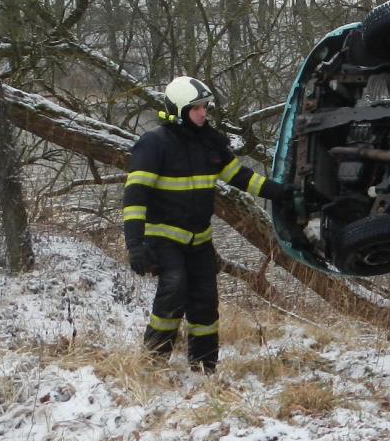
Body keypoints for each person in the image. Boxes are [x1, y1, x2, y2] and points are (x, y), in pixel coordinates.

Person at [122, 76, 293, 373]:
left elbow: (242, 178)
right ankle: (153, 362)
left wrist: (281, 193)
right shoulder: (153, 144)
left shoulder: (210, 143)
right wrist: (135, 245)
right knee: (173, 289)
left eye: (205, 107)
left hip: (199, 240)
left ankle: (204, 368)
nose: (203, 113)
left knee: (205, 301)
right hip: (163, 238)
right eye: (196, 108)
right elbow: (134, 198)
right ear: (177, 110)